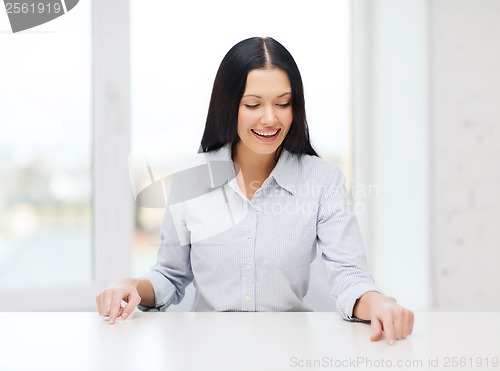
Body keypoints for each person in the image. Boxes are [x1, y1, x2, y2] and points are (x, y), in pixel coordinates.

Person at [96, 36, 414, 344]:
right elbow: (170, 274)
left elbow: (350, 276)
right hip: (205, 352)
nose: (270, 118)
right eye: (253, 104)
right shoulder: (191, 178)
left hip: (289, 350)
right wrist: (131, 284)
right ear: (229, 105)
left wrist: (379, 304)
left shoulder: (323, 180)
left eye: (283, 103)